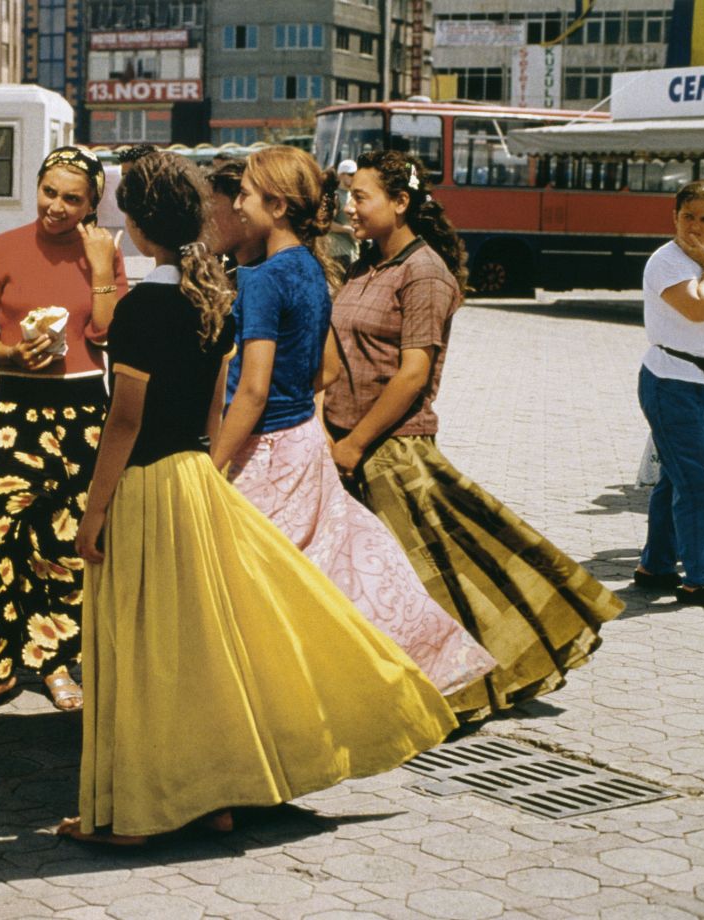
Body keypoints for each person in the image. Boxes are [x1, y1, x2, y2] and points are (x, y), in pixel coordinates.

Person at [58, 152, 455, 846]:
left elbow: (124, 421)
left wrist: (94, 511)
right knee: (197, 647)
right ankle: (209, 797)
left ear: (137, 225)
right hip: (195, 480)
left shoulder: (141, 306)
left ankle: (137, 815)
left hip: (147, 485)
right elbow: (214, 408)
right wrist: (207, 469)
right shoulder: (209, 297)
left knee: (142, 649)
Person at [324, 150, 624, 720]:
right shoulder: (365, 264)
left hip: (391, 450)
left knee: (436, 580)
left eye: (360, 196)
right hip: (344, 444)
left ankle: (484, 676)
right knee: (408, 578)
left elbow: (413, 374)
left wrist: (355, 444)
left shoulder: (425, 272)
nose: (350, 206)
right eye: (349, 195)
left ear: (401, 202)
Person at [209, 146, 495, 699]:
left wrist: (213, 460)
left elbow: (253, 388)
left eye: (244, 193)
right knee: (331, 570)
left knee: (263, 579)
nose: (237, 203)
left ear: (277, 204)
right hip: (303, 444)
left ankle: (290, 693)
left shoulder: (264, 278)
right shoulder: (314, 269)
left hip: (266, 448)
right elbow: (329, 369)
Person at [0, 146, 126, 716]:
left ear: (92, 203)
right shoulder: (3, 248)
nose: (56, 206)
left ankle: (55, 664)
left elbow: (109, 337)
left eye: (72, 199)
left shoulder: (103, 253)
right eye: (49, 191)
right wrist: (5, 352)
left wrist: (102, 269)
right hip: (16, 412)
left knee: (68, 548)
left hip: (83, 415)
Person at [632, 180, 704, 608]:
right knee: (702, 485)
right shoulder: (669, 262)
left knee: (676, 480)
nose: (695, 226)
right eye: (688, 216)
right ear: (673, 216)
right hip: (673, 383)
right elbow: (699, 309)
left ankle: (656, 567)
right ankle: (700, 580)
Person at [327, 158, 359, 269]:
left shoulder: (353, 194)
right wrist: (348, 230)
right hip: (339, 252)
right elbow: (327, 224)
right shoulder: (336, 197)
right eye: (351, 174)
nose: (354, 177)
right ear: (341, 175)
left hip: (352, 250)